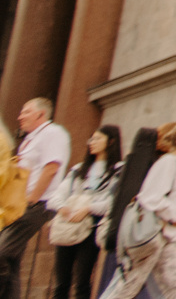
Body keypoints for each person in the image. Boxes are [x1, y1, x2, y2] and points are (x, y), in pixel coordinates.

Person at [97, 117, 176, 299]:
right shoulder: (169, 163)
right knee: (129, 286)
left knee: (175, 287)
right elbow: (150, 197)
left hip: (163, 236)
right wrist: (175, 215)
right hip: (154, 234)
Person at [1, 99, 71, 299]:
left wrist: (32, 199)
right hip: (18, 205)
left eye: (26, 112)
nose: (20, 117)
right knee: (12, 261)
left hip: (36, 204)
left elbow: (51, 168)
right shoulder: (30, 139)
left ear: (40, 114)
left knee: (2, 253)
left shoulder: (53, 133)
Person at [46, 126, 121, 299]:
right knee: (61, 283)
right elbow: (56, 196)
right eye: (91, 139)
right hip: (68, 225)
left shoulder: (117, 170)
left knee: (82, 281)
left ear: (111, 142)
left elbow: (114, 201)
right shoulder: (78, 170)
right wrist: (63, 207)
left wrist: (89, 208)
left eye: (97, 139)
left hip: (92, 227)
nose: (92, 143)